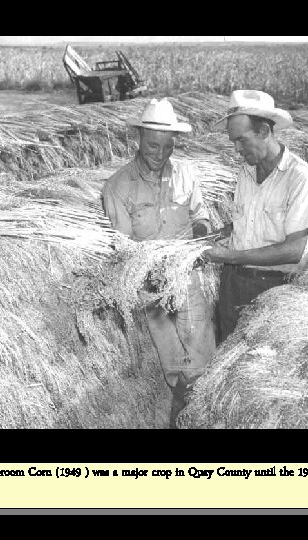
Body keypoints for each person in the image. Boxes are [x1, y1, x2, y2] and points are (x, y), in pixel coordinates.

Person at [101, 98, 215, 428]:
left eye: (168, 146)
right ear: (139, 139)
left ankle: (190, 417)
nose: (160, 154)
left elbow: (201, 215)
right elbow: (123, 246)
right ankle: (183, 415)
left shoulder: (185, 174)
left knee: (201, 359)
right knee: (175, 366)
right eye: (153, 145)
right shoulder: (118, 187)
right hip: (151, 290)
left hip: (188, 279)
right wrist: (153, 268)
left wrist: (198, 237)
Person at [204, 90, 308, 343]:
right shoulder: (246, 172)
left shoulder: (299, 177)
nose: (236, 149)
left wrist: (230, 256)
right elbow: (249, 221)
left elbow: (294, 250)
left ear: (264, 132)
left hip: (273, 288)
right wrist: (223, 233)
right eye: (233, 141)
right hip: (233, 284)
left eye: (242, 140)